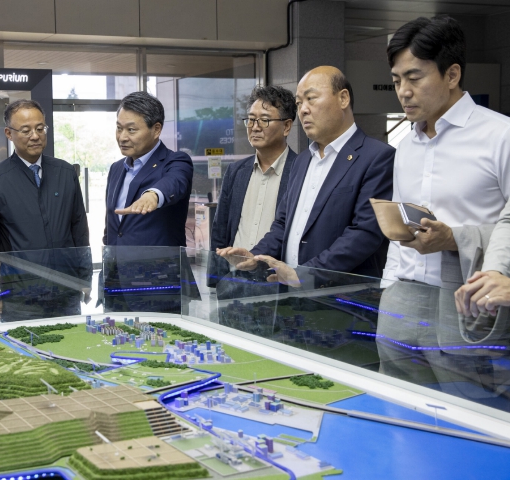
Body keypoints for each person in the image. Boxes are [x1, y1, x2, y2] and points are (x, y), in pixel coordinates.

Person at [377, 15, 510, 395]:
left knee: (473, 411)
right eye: (396, 80)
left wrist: (455, 239)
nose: (403, 92)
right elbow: (399, 227)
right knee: (400, 411)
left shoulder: (500, 135)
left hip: (467, 303)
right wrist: (388, 290)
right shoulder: (406, 145)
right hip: (401, 301)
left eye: (414, 78)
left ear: (452, 74)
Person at [217, 66, 395, 285]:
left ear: (343, 98)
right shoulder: (302, 161)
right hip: (291, 292)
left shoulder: (377, 157)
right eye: (299, 103)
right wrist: (256, 256)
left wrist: (305, 275)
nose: (303, 110)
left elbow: (364, 234)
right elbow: (282, 225)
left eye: (311, 99)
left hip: (341, 296)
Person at [0, 99, 91, 322]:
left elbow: (80, 231)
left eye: (40, 128)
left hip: (66, 290)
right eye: (26, 130)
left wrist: (84, 278)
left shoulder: (65, 173)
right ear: (9, 133)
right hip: (20, 296)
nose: (35, 136)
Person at [100, 91, 195, 313]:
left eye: (131, 130)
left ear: (156, 129)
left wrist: (153, 195)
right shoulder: (116, 169)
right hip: (116, 286)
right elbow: (114, 228)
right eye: (119, 128)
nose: (122, 137)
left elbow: (174, 182)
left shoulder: (175, 161)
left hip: (158, 287)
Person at [209, 85, 297, 298]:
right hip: (234, 281)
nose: (255, 127)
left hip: (277, 284)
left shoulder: (301, 170)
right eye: (250, 119)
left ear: (286, 126)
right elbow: (220, 230)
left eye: (264, 120)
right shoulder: (236, 171)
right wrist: (217, 280)